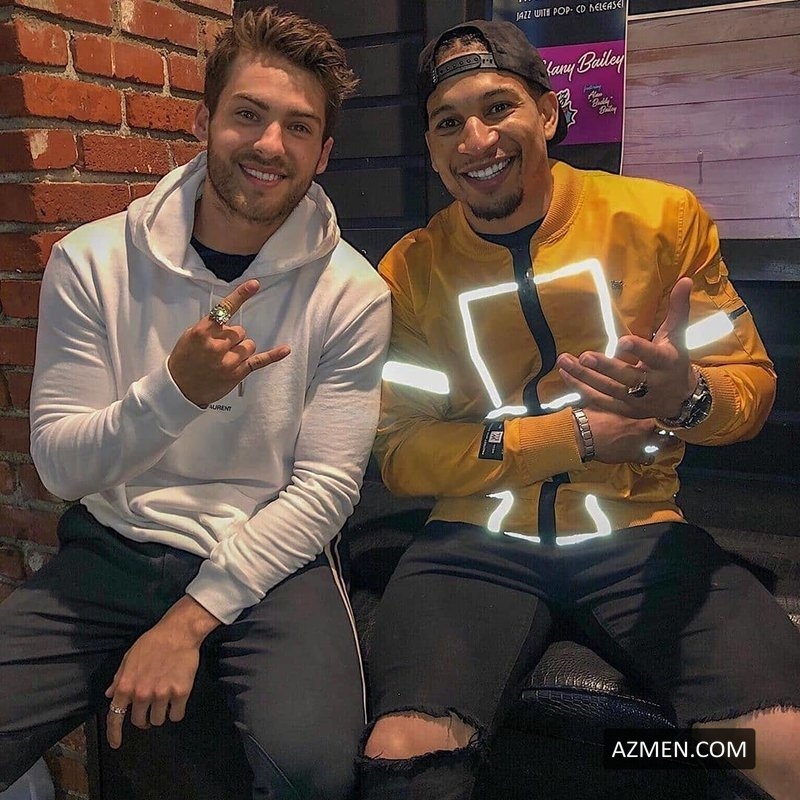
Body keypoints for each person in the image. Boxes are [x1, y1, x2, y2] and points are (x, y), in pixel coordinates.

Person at [357, 19, 800, 800]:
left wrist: (688, 398)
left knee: (779, 753)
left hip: (639, 534)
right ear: (431, 145)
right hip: (472, 540)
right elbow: (401, 454)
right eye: (448, 122)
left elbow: (749, 389)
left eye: (498, 108)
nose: (475, 139)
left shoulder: (661, 221)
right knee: (405, 763)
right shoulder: (412, 270)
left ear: (549, 113)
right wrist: (577, 434)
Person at [0, 7, 390, 799]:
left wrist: (187, 620)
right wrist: (175, 393)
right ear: (205, 120)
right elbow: (61, 469)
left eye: (298, 126)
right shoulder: (91, 261)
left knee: (313, 769)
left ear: (323, 153)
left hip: (273, 556)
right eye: (248, 114)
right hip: (116, 545)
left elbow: (324, 491)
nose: (270, 144)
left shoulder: (354, 292)